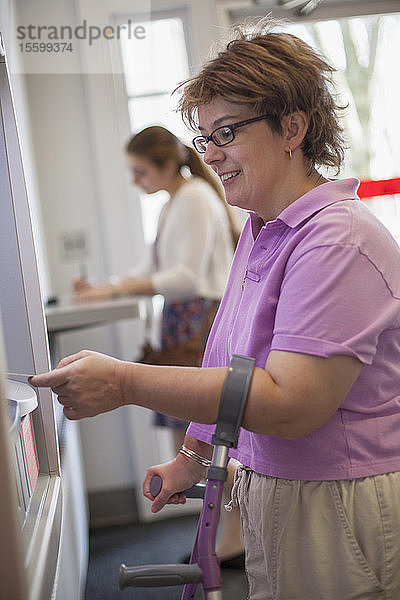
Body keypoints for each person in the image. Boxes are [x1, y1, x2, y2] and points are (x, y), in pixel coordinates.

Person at [31, 18, 400, 600]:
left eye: (226, 132)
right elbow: (225, 353)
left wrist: (127, 382)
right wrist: (192, 456)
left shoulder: (338, 240)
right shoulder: (263, 228)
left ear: (293, 127)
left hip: (338, 493)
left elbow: (291, 405)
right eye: (205, 138)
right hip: (280, 484)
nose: (211, 154)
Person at [72, 125, 244, 566]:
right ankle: (224, 536)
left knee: (205, 438)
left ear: (167, 165)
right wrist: (106, 286)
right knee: (193, 438)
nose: (135, 181)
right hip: (182, 323)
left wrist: (115, 290)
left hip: (195, 321)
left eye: (139, 171)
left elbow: (184, 277)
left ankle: (235, 536)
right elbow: (153, 267)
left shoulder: (193, 200)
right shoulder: (176, 202)